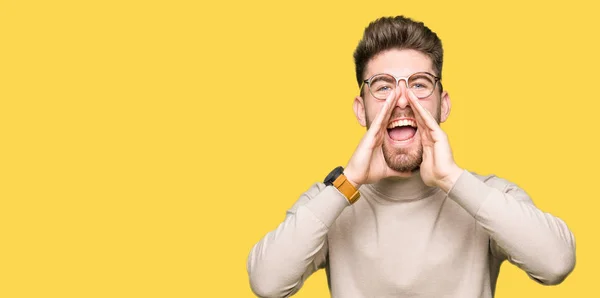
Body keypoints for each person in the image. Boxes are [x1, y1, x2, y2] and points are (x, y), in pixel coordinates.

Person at [246, 15, 576, 298]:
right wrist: (350, 183)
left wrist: (451, 180)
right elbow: (266, 282)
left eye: (419, 84)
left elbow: (556, 263)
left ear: (442, 104)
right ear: (362, 109)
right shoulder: (333, 199)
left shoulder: (485, 194)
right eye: (383, 86)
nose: (402, 101)